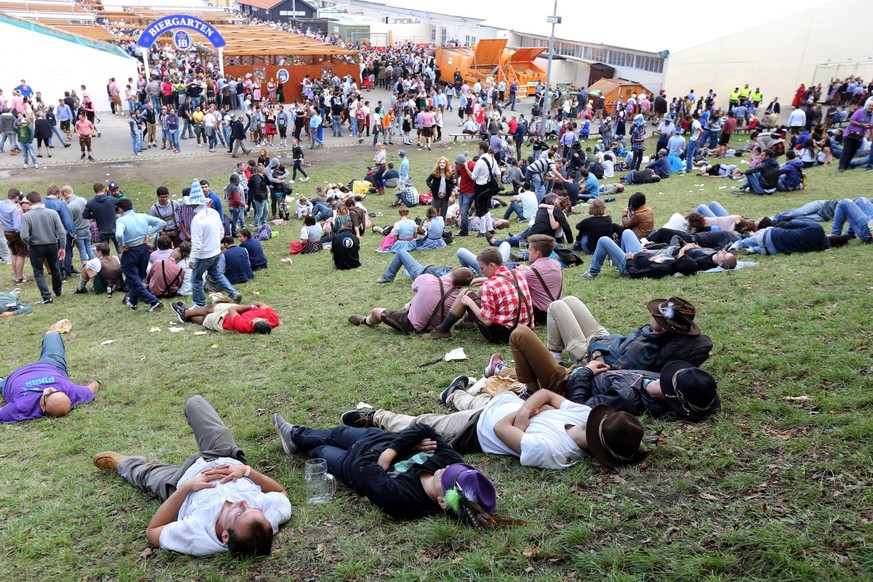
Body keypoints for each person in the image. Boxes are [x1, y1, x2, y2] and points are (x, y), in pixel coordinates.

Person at [92, 396, 292, 557]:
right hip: (223, 455)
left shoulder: (197, 536)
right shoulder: (266, 518)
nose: (243, 504)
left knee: (146, 475)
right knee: (195, 403)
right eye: (252, 508)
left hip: (180, 480)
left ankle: (123, 463)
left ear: (224, 537)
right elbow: (280, 492)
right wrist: (247, 471)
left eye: (240, 513)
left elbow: (153, 532)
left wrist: (187, 487)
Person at [342, 382, 646, 470]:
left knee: (425, 423)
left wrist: (529, 411)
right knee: (471, 400)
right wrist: (527, 410)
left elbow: (502, 429)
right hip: (504, 403)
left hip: (477, 431)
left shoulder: (553, 452)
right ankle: (453, 393)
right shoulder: (585, 414)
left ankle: (377, 417)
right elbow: (547, 395)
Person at [270, 414, 498, 523]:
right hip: (378, 440)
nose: (447, 467)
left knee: (318, 452)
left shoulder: (403, 499)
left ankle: (296, 439)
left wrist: (401, 448)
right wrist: (390, 453)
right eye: (456, 468)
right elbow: (423, 428)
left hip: (351, 466)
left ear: (441, 501)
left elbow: (362, 468)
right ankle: (296, 435)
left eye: (447, 475)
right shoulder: (451, 461)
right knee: (337, 432)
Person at [506, 327, 721, 421]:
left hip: (563, 386)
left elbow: (576, 408)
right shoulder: (655, 380)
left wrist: (585, 370)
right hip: (580, 372)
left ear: (670, 397)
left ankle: (531, 390)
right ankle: (502, 371)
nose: (664, 378)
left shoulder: (626, 399)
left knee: (520, 335)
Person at [546, 295, 713, 371]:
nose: (651, 316)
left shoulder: (643, 350)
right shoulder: (659, 334)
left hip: (588, 353)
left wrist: (596, 352)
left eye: (655, 316)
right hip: (609, 341)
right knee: (570, 300)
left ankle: (555, 360)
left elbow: (610, 369)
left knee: (556, 306)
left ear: (663, 326)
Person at [423, 247, 533, 343]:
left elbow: (487, 321)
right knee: (481, 293)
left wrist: (470, 303)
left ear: (491, 265)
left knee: (465, 294)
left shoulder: (489, 286)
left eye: (481, 268)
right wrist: (484, 279)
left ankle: (442, 330)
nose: (481, 271)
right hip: (525, 331)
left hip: (503, 335)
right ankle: (467, 322)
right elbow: (504, 279)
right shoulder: (518, 273)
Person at [1, 332, 100, 422]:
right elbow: (92, 387)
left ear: (43, 408)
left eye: (48, 393)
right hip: (50, 365)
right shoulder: (70, 389)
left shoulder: (21, 405)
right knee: (53, 336)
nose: (51, 389)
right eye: (56, 390)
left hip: (11, 381)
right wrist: (96, 382)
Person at [348, 267, 474, 335]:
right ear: (461, 286)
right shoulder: (458, 298)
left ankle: (365, 321)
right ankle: (406, 309)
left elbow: (414, 287)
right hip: (436, 327)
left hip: (412, 324)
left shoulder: (428, 278)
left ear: (453, 269)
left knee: (376, 311)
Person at [582, 230, 737, 279]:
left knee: (603, 240)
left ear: (721, 264)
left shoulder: (698, 264)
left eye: (724, 255)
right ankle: (620, 258)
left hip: (631, 264)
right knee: (628, 232)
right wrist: (649, 251)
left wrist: (629, 261)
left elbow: (635, 273)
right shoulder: (711, 253)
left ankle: (593, 271)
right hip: (641, 256)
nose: (722, 251)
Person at [186, 180, 242, 308]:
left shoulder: (197, 220)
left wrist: (192, 259)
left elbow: (197, 242)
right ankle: (233, 293)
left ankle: (199, 303)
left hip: (204, 255)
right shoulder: (213, 213)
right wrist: (217, 245)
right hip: (215, 251)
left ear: (193, 204)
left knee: (196, 279)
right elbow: (221, 231)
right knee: (216, 273)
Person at [115, 198, 166, 311]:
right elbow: (162, 223)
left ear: (120, 209)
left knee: (134, 279)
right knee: (138, 277)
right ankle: (133, 301)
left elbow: (118, 235)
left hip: (131, 250)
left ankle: (154, 301)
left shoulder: (121, 220)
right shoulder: (143, 216)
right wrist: (149, 233)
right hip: (144, 249)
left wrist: (122, 243)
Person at [20, 191, 66, 304]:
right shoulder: (53, 213)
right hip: (52, 244)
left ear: (29, 202)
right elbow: (61, 232)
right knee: (55, 268)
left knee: (38, 271)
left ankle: (46, 296)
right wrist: (62, 247)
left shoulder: (27, 216)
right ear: (40, 199)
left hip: (36, 246)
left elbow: (24, 236)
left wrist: (30, 242)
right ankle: (58, 290)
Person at [172, 300, 279, 334]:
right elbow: (260, 303)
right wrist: (250, 307)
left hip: (223, 321)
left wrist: (251, 306)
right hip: (239, 310)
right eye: (256, 319)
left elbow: (232, 310)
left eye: (253, 322)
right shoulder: (273, 318)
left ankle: (188, 317)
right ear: (266, 320)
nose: (253, 320)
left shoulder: (244, 326)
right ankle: (186, 312)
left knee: (205, 318)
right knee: (212, 307)